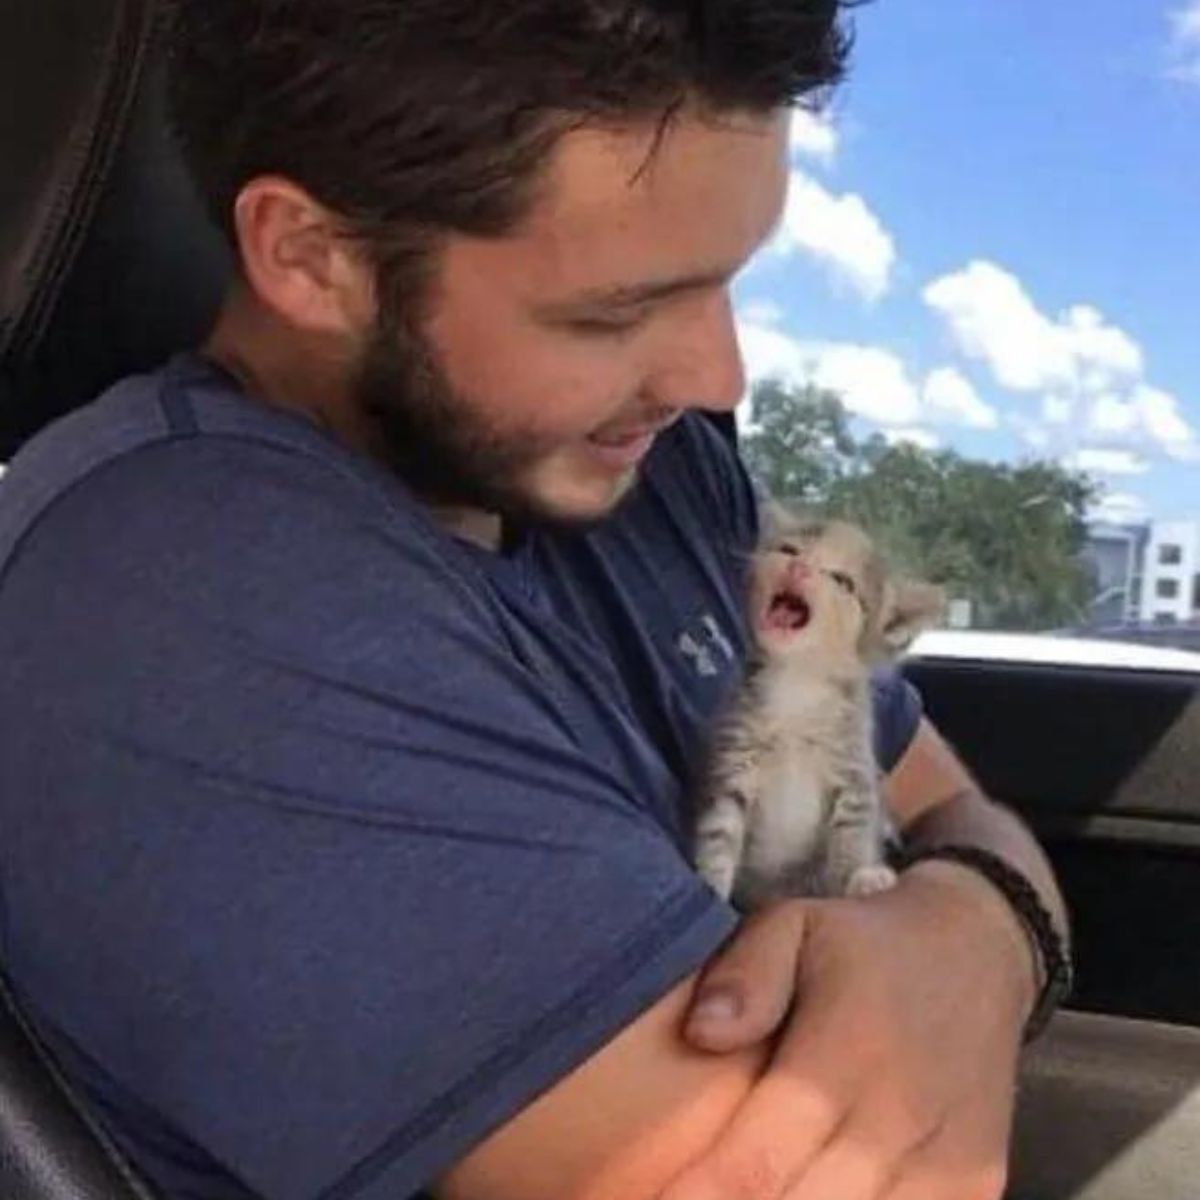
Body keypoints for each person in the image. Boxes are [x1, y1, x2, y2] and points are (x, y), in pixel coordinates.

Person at [0, 2, 1069, 1198]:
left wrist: (976, 926)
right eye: (613, 312)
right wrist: (971, 936)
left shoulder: (657, 481)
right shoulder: (184, 600)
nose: (718, 377)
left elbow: (949, 805)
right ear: (312, 258)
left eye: (725, 283)